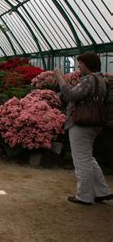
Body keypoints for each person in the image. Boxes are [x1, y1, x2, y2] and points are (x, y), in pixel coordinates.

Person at [54, 53, 112, 205]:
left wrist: (60, 77)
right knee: (88, 157)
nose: (78, 66)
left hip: (81, 123)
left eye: (80, 63)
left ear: (87, 64)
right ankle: (102, 192)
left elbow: (70, 95)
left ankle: (84, 196)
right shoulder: (101, 80)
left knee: (81, 160)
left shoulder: (88, 79)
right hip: (95, 123)